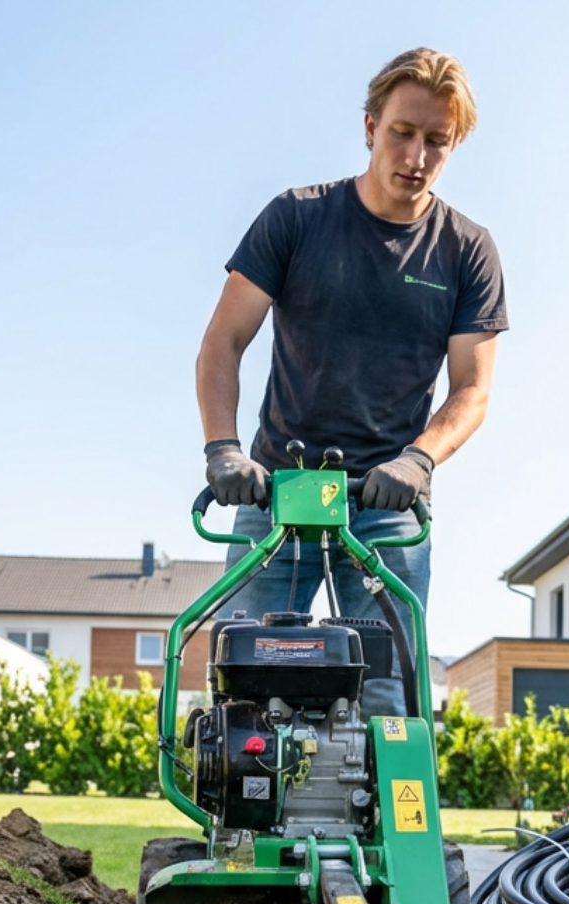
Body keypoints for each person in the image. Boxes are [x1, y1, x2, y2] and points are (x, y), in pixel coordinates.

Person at [195, 47, 508, 712]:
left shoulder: (465, 249)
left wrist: (419, 460)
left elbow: (471, 389)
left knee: (389, 693)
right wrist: (223, 449)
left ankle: (387, 817)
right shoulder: (297, 219)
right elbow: (222, 342)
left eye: (436, 142)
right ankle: (238, 818)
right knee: (241, 678)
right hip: (277, 492)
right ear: (370, 127)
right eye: (403, 133)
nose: (416, 157)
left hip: (385, 505)